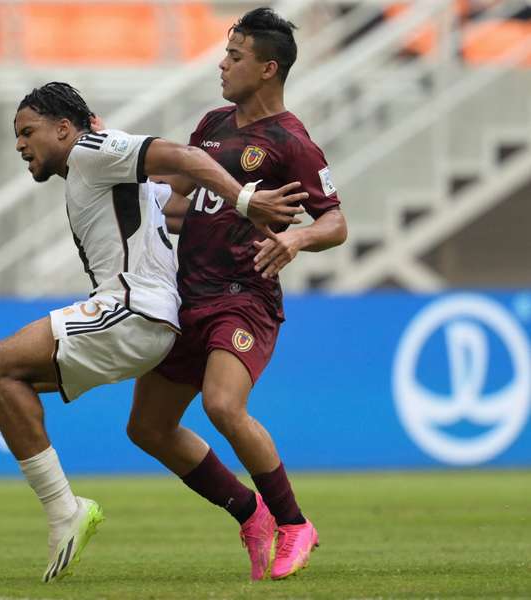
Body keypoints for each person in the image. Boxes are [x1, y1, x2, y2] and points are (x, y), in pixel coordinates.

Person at [0, 82, 308, 582]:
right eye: (17, 135)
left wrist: (246, 199)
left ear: (64, 128)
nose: (20, 144)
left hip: (132, 311)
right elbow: (172, 188)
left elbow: (184, 156)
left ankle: (64, 511)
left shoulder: (89, 151)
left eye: (27, 132)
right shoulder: (98, 168)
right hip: (141, 317)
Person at [125, 8, 348, 582]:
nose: (222, 65)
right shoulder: (211, 126)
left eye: (236, 56)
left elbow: (336, 224)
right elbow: (178, 202)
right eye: (226, 53)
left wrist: (297, 237)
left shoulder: (291, 142)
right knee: (146, 429)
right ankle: (250, 513)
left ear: (269, 68)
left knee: (223, 405)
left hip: (243, 296)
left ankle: (295, 522)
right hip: (185, 297)